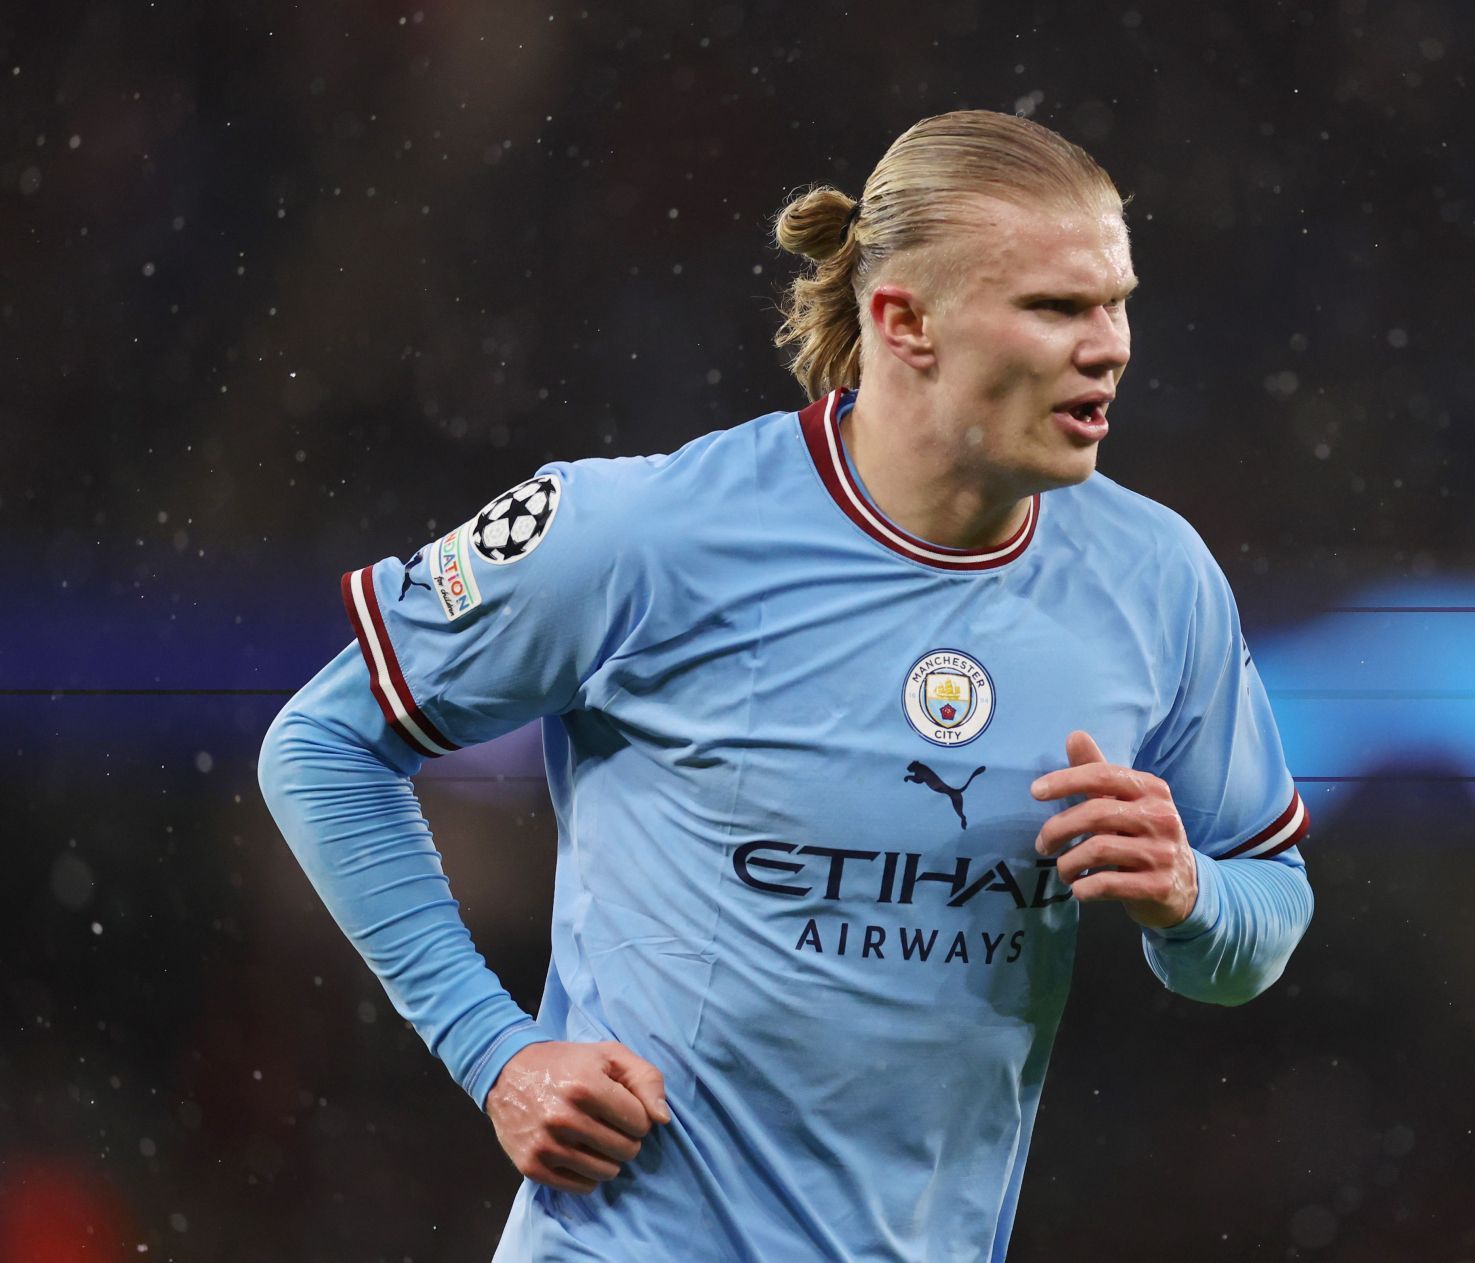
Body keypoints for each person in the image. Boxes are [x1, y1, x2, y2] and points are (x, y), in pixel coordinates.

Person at [258, 109, 1315, 1262]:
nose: (1109, 346)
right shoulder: (647, 534)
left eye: (1116, 301)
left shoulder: (1155, 578)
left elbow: (1263, 913)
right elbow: (323, 744)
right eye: (1057, 308)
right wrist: (493, 1050)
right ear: (903, 320)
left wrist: (1188, 895)